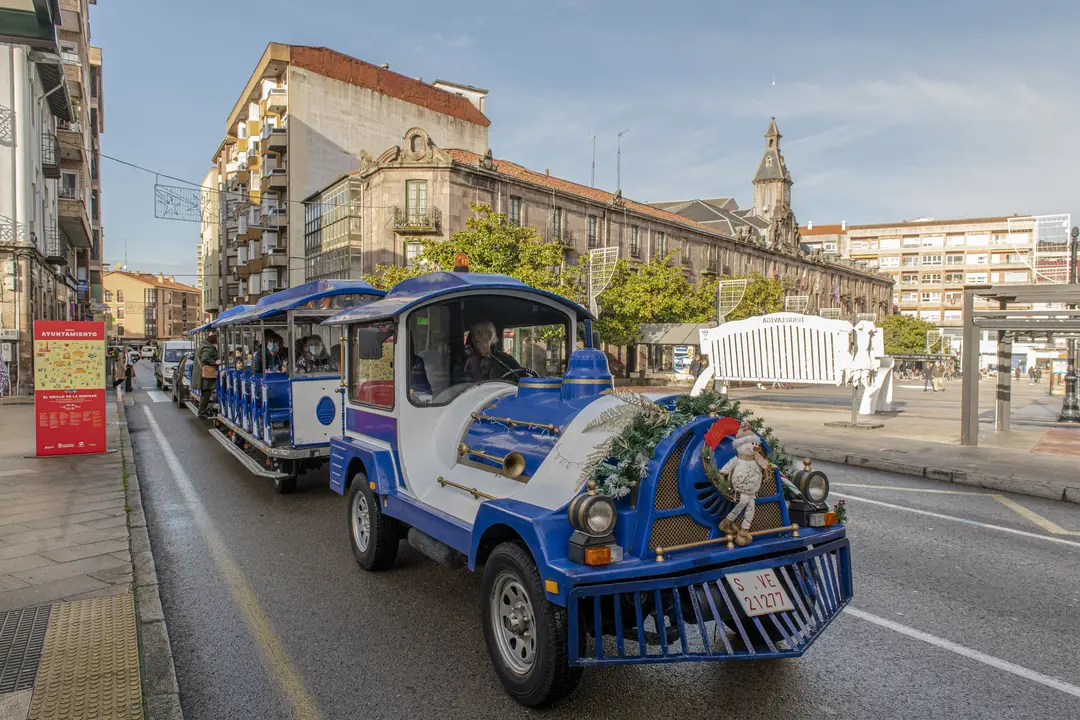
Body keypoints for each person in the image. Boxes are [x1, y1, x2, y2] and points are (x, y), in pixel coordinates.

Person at [197, 333, 219, 418]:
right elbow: (205, 358)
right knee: (206, 393)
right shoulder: (207, 348)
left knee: (205, 393)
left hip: (203, 374)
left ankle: (202, 411)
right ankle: (202, 412)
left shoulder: (204, 345)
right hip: (206, 375)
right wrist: (215, 362)